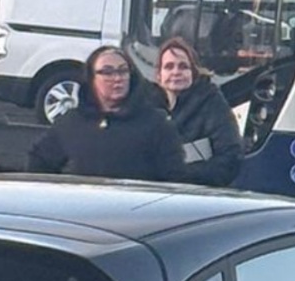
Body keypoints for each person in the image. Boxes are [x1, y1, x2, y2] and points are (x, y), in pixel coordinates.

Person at [28, 45, 186, 182]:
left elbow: (174, 177)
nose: (117, 78)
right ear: (91, 78)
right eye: (107, 72)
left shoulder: (156, 123)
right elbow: (39, 163)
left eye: (123, 71)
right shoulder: (71, 122)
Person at [156, 36, 242, 187]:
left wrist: (184, 175)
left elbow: (231, 157)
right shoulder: (147, 106)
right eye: (169, 67)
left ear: (193, 72)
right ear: (159, 75)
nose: (176, 72)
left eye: (183, 67)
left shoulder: (212, 104)